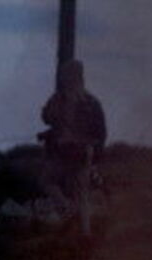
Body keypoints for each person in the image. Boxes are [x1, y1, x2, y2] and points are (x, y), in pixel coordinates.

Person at [39, 59, 106, 234]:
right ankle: (85, 233)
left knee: (47, 181)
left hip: (63, 151)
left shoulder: (59, 98)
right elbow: (101, 131)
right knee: (82, 194)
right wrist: (96, 155)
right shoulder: (92, 101)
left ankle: (66, 210)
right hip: (84, 152)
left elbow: (46, 117)